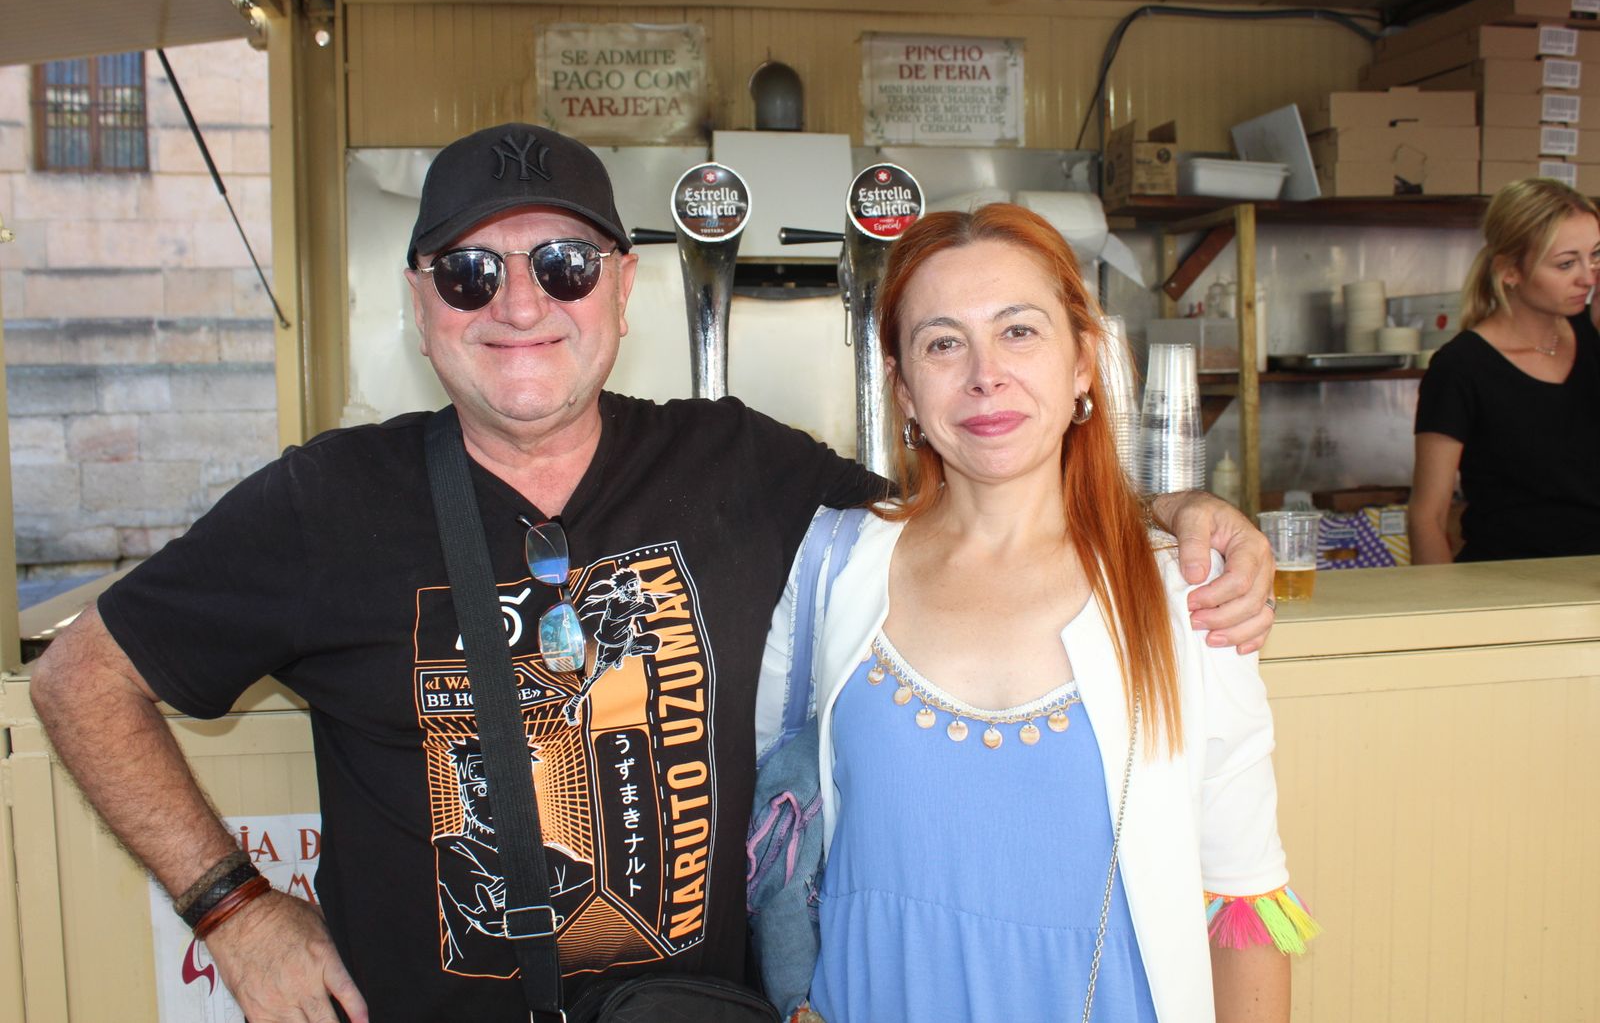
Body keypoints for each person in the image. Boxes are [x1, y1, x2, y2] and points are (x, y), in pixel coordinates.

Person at [27, 123, 1277, 1023]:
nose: (520, 303)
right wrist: (234, 907)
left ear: (623, 289)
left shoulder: (739, 463)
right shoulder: (321, 500)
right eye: (472, 271)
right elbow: (80, 677)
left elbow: (968, 481)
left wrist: (1170, 510)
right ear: (422, 305)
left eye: (563, 264)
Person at [757, 204, 1315, 1023]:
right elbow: (769, 817)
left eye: (1019, 331)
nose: (985, 374)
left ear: (1083, 361)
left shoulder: (1182, 589)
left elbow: (1242, 892)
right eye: (943, 342)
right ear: (905, 387)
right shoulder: (832, 565)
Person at [1409, 178, 1600, 564]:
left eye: (1596, 256)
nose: (1588, 277)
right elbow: (1426, 517)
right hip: (1508, 589)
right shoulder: (1462, 366)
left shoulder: (1593, 337)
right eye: (1566, 263)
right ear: (1510, 271)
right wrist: (1446, 616)